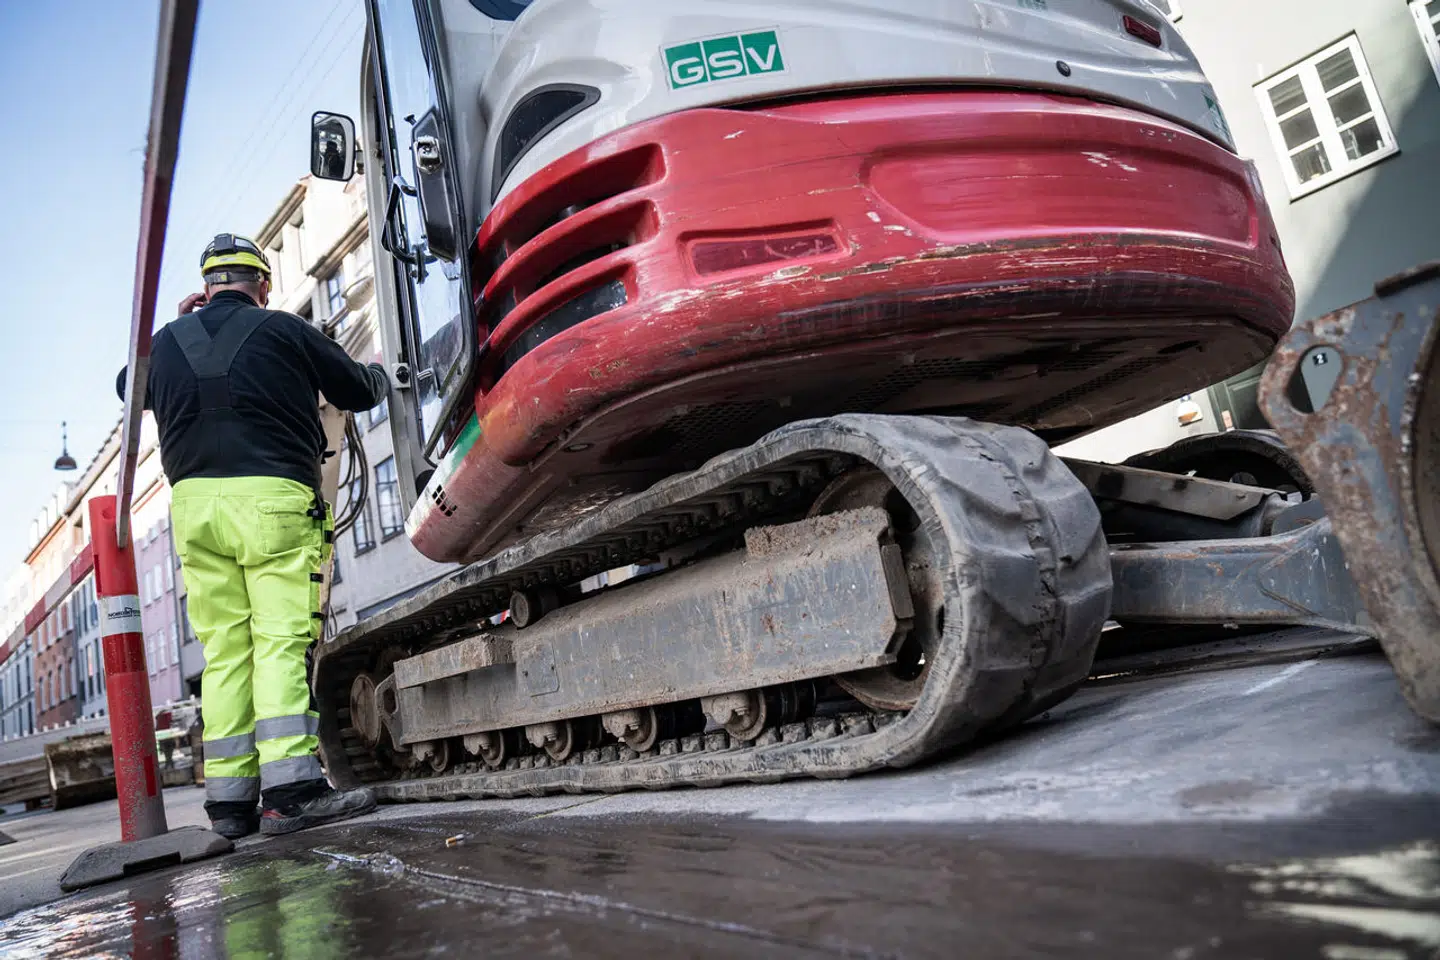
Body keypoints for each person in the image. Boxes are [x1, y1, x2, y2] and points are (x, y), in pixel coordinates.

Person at [116, 233, 387, 839]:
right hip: (270, 502)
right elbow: (358, 390)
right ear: (261, 284)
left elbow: (125, 389)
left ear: (207, 288)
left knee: (225, 652)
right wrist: (375, 371)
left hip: (194, 511)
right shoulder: (283, 329)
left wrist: (179, 328)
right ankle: (291, 791)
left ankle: (230, 805)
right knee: (279, 642)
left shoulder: (166, 343)